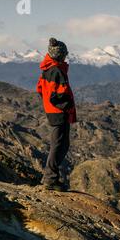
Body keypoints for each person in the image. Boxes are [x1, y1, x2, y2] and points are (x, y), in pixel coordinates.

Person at [36, 38, 77, 192]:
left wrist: (48, 102)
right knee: (59, 145)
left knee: (61, 145)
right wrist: (66, 106)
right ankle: (50, 179)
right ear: (60, 55)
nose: (66, 56)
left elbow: (40, 88)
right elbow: (57, 95)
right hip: (59, 113)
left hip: (53, 112)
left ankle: (50, 176)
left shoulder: (47, 69)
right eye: (65, 54)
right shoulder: (57, 71)